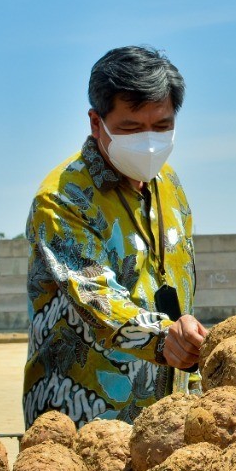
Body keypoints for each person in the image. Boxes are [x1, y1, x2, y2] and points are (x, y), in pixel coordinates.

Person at [24, 46, 205, 426]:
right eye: (131, 128)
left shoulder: (169, 183)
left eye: (162, 125)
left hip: (168, 413)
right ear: (96, 123)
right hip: (84, 415)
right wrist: (163, 338)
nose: (150, 140)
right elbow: (96, 298)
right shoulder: (62, 198)